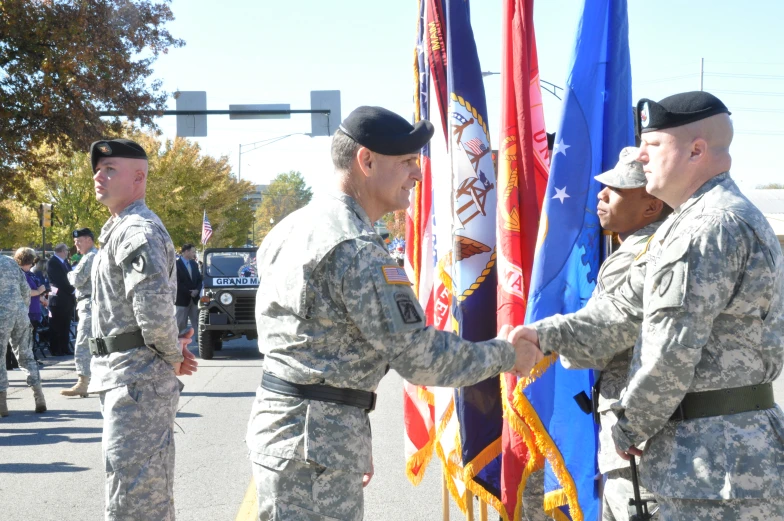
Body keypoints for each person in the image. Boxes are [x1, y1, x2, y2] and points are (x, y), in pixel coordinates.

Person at [246, 106, 542, 520]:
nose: (417, 175)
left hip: (302, 433)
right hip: (314, 443)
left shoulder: (291, 227)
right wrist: (508, 355)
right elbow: (422, 358)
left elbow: (320, 345)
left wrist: (349, 438)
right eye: (406, 162)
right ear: (366, 161)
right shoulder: (356, 249)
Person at [514, 91, 784, 519]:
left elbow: (669, 350)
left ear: (696, 150)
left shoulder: (707, 225)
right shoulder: (691, 222)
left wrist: (629, 426)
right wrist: (541, 335)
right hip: (706, 464)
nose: (641, 157)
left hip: (714, 467)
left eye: (653, 145)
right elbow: (621, 313)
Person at [87, 137, 199, 520]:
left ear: (139, 176)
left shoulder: (138, 231)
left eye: (109, 169)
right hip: (126, 375)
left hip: (138, 380)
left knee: (136, 502)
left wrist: (173, 355)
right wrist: (172, 350)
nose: (99, 176)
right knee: (131, 493)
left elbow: (152, 312)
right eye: (98, 170)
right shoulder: (119, 228)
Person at [591, 147, 670, 520]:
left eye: (615, 190)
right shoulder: (641, 248)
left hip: (637, 438)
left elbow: (601, 339)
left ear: (651, 207)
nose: (601, 195)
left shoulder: (641, 255)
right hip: (632, 434)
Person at [0, 251, 46, 416]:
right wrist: (23, 310)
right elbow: (25, 290)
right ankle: (39, 396)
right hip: (19, 313)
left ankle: (2, 404)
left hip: (2, 315)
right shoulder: (10, 262)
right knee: (26, 356)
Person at [61, 228, 99, 397]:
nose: (76, 247)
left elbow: (76, 280)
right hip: (92, 303)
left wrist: (70, 272)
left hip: (89, 304)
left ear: (89, 240)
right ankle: (92, 381)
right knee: (95, 344)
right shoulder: (92, 255)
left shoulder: (90, 257)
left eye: (78, 242)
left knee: (83, 344)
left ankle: (83, 382)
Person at [47, 243, 75, 355]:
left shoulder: (65, 262)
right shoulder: (53, 262)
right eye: (66, 250)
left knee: (65, 324)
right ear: (62, 251)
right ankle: (55, 349)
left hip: (67, 299)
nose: (67, 252)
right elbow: (60, 280)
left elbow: (70, 276)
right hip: (58, 299)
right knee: (56, 325)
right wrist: (72, 290)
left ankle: (64, 347)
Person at [175, 243, 202, 333]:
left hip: (194, 300)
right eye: (193, 252)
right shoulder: (176, 265)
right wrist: (189, 292)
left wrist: (197, 290)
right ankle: (178, 345)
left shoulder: (194, 264)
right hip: (182, 300)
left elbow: (199, 279)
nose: (194, 254)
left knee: (198, 324)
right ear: (186, 252)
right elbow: (177, 282)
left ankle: (200, 343)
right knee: (180, 325)